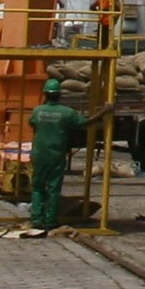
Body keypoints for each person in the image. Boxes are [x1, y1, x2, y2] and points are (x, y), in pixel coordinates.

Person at [26, 77, 94, 232]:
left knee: (37, 187)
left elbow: (32, 124)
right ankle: (50, 221)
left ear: (45, 94)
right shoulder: (67, 113)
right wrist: (104, 111)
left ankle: (36, 219)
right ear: (60, 95)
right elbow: (85, 123)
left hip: (39, 155)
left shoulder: (37, 111)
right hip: (56, 156)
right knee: (53, 189)